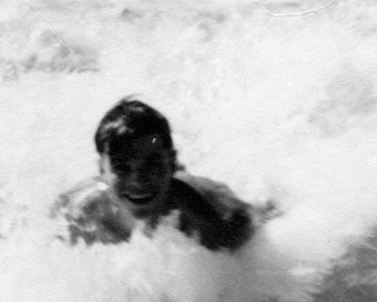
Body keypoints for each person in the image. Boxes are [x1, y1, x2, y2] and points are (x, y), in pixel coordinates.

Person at [52, 98, 264, 251]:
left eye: (151, 164)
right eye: (122, 167)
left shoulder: (197, 204)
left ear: (172, 163)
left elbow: (247, 225)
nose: (138, 180)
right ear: (101, 169)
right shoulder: (83, 209)